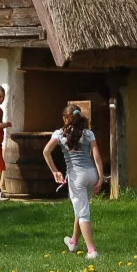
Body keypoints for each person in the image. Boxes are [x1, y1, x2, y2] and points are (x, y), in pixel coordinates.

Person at [43, 105, 106, 259]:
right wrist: (101, 176)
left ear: (65, 119)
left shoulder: (59, 134)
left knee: (83, 213)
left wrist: (54, 171)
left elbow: (46, 152)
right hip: (91, 174)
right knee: (82, 207)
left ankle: (92, 251)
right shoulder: (88, 133)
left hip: (77, 177)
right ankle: (73, 241)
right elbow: (96, 156)